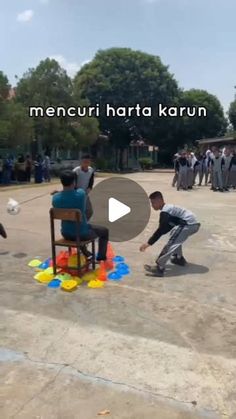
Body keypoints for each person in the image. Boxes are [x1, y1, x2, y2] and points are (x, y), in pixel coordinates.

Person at [140, 191, 200, 277]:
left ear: (160, 201)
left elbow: (161, 230)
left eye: (153, 203)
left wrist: (148, 243)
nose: (152, 205)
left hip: (189, 224)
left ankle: (160, 267)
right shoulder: (168, 209)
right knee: (174, 234)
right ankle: (178, 258)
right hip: (192, 224)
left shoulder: (165, 212)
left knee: (171, 243)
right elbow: (166, 228)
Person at [52, 170, 108, 261]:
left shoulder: (55, 198)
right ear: (74, 182)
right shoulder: (80, 194)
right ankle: (101, 257)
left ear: (61, 182)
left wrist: (59, 192)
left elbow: (64, 195)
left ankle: (86, 252)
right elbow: (76, 191)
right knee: (104, 231)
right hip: (81, 234)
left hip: (65, 233)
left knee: (80, 229)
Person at [73, 154, 94, 220]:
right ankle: (79, 225)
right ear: (81, 162)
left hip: (85, 193)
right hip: (76, 193)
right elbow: (73, 183)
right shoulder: (76, 171)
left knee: (89, 211)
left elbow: (91, 182)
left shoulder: (91, 170)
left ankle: (84, 223)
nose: (86, 164)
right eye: (84, 162)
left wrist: (89, 188)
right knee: (79, 211)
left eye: (88, 162)